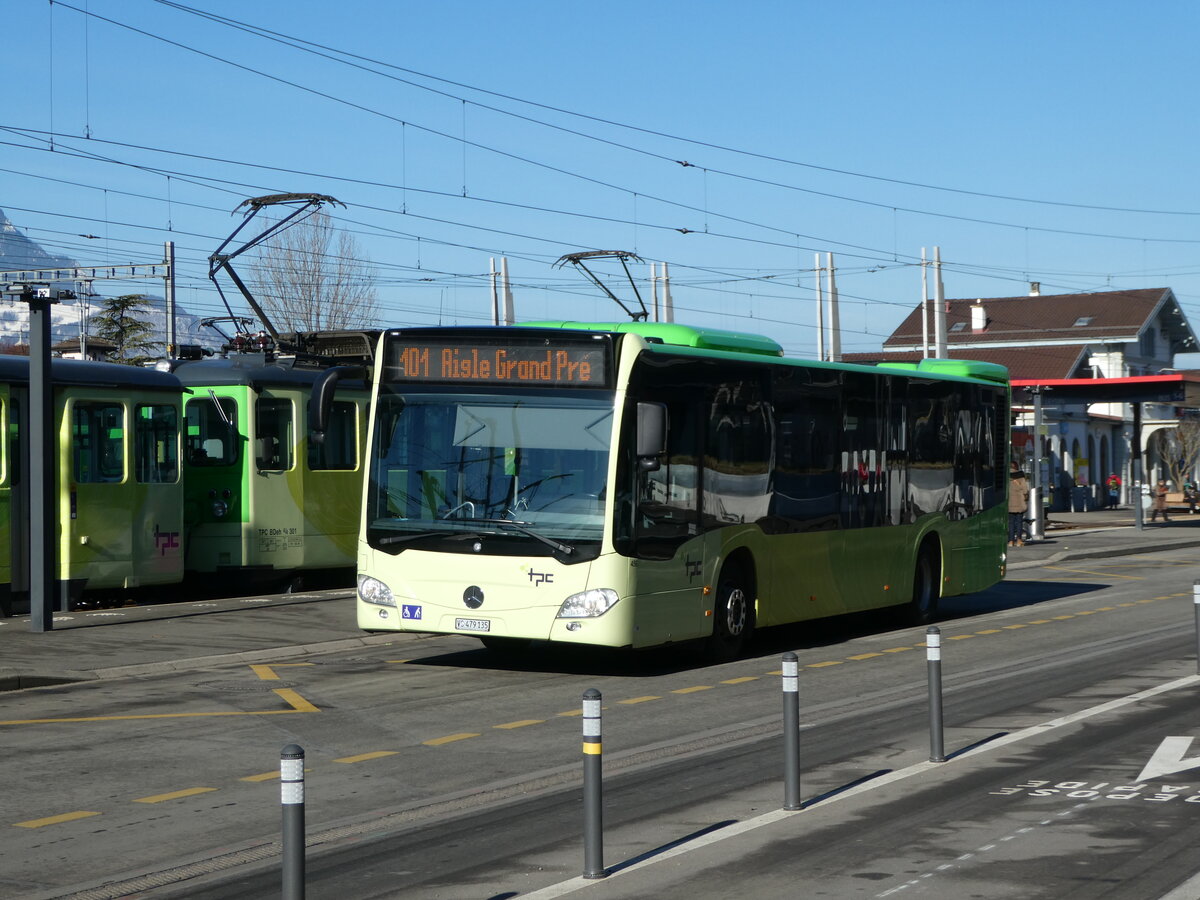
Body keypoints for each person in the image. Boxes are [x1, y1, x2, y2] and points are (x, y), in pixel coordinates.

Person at [1008, 461, 1029, 546]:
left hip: (1010, 504)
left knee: (1011, 523)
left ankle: (1010, 541)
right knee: (1019, 522)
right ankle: (1019, 540)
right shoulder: (1020, 476)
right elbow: (1025, 490)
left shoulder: (1006, 476)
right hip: (1019, 504)